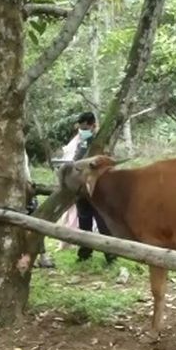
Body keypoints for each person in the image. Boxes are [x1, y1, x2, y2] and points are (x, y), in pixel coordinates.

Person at [0, 127, 55, 268]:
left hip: (18, 201)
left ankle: (41, 255)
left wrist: (26, 198)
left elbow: (26, 183)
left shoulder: (14, 159)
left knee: (35, 219)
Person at [74, 111, 116, 264]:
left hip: (99, 188)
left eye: (85, 127)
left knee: (102, 222)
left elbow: (109, 162)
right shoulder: (81, 141)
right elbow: (76, 161)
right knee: (84, 222)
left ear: (92, 125)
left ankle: (110, 254)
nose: (83, 130)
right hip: (82, 189)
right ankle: (85, 252)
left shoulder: (102, 141)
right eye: (81, 127)